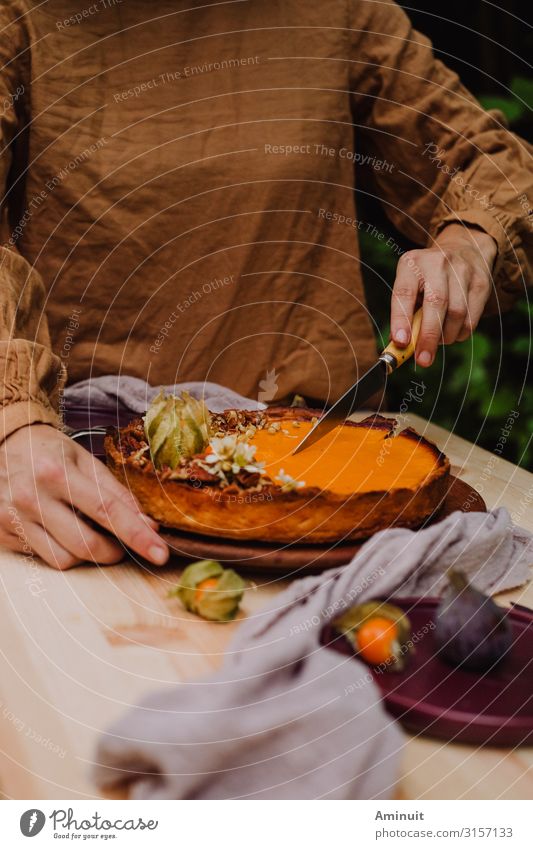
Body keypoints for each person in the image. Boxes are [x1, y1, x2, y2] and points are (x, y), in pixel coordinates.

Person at [0, 0, 531, 569]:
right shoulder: (22, 17)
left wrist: (470, 242)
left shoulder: (340, 12)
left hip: (335, 505)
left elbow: (490, 166)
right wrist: (10, 419)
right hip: (71, 490)